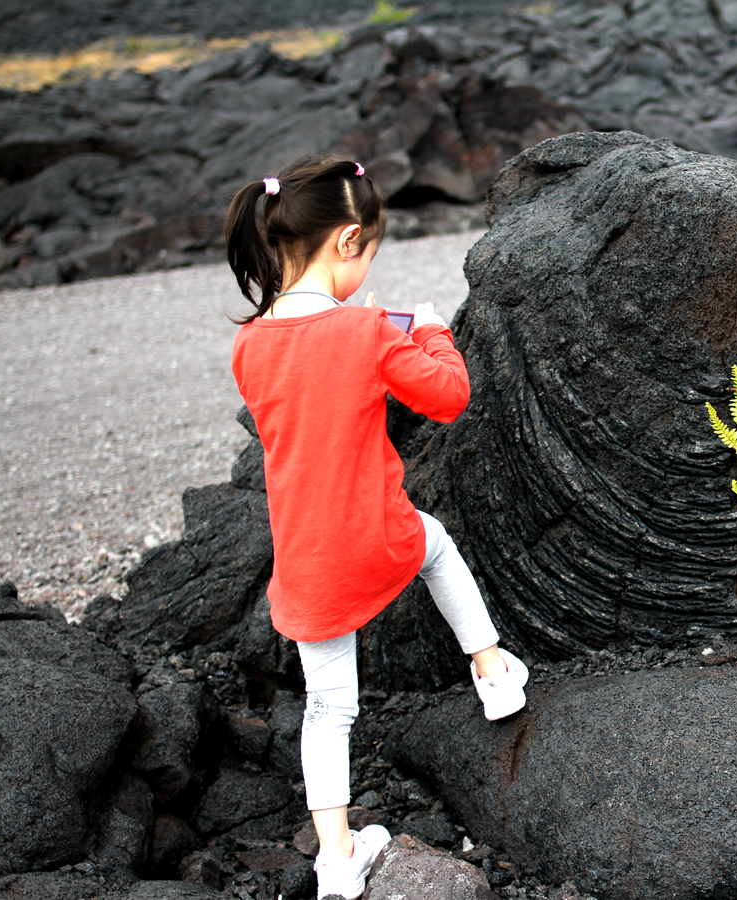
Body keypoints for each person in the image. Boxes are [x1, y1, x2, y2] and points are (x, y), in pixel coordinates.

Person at [224, 153, 527, 900]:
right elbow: (449, 397)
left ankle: (336, 860)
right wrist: (426, 333)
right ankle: (491, 670)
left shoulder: (249, 345)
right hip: (377, 536)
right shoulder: (367, 333)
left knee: (329, 708)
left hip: (307, 563)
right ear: (349, 242)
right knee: (435, 543)